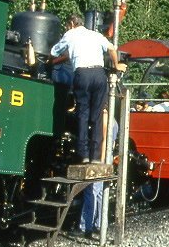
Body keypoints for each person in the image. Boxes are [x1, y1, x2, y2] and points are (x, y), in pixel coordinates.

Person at [50, 13, 124, 164]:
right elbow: (112, 49)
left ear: (71, 24)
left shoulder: (70, 34)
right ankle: (96, 157)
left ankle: (82, 154)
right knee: (96, 116)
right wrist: (116, 65)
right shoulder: (95, 34)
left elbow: (53, 52)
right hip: (99, 74)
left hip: (82, 74)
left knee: (82, 113)